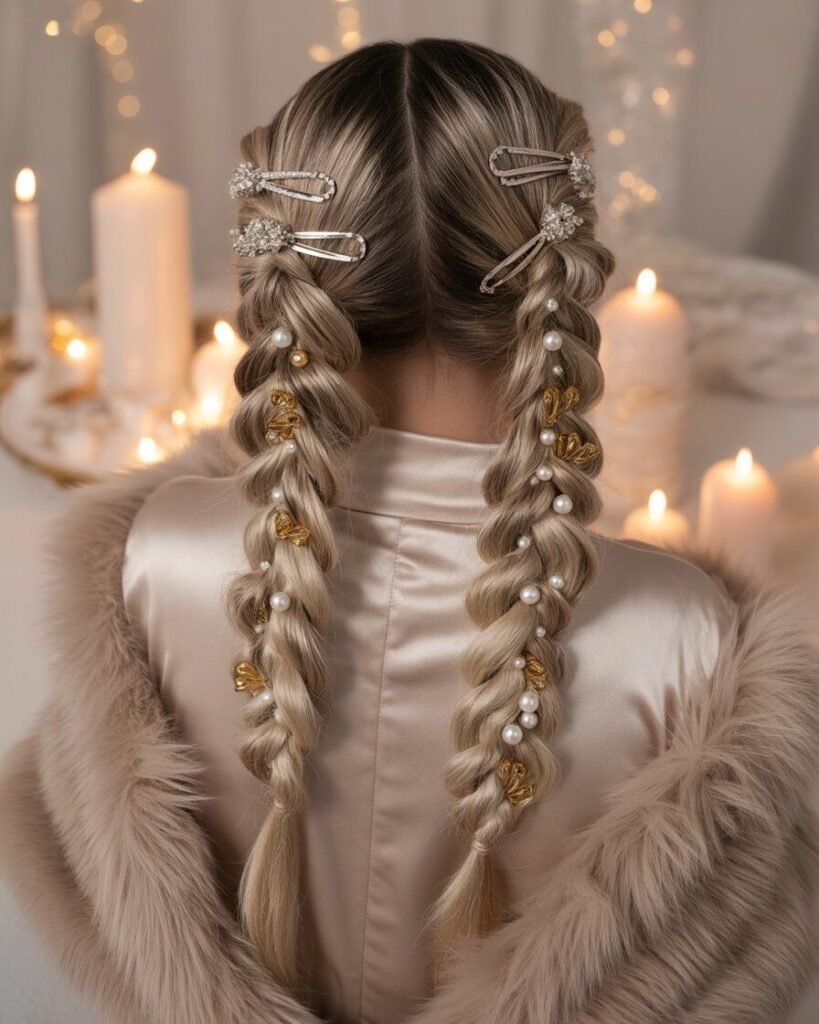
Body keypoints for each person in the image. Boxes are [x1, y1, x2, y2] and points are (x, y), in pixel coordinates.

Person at [1, 38, 817, 1024]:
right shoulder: (686, 642)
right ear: (559, 277)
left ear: (279, 268)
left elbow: (81, 869)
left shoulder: (148, 561)